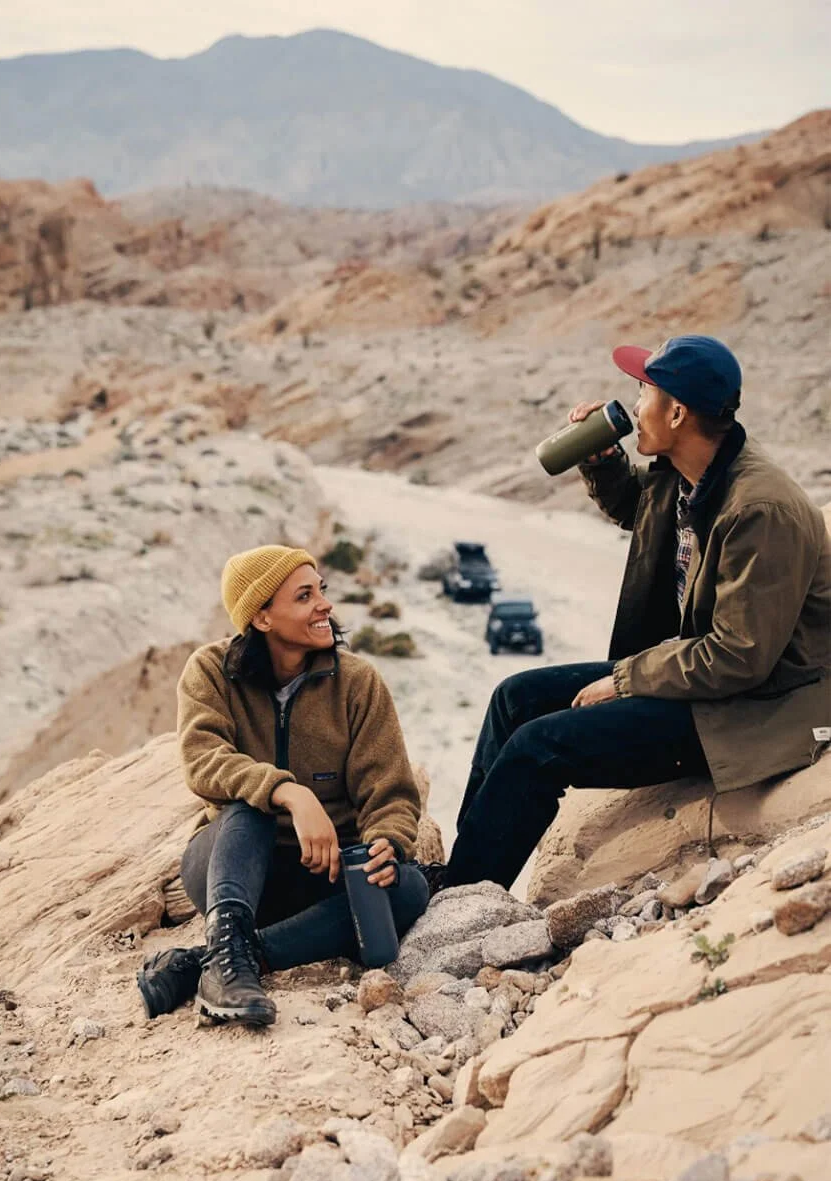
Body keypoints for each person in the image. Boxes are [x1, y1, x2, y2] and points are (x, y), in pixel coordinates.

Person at [444, 334, 831, 890]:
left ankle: (460, 898)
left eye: (643, 390)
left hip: (751, 707)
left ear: (677, 412)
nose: (632, 402)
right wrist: (603, 462)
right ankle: (467, 876)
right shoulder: (687, 472)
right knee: (515, 699)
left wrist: (625, 680)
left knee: (539, 747)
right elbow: (644, 517)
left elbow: (740, 658)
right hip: (697, 677)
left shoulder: (760, 509)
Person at [138, 544, 429, 1025]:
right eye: (304, 596)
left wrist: (386, 843)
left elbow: (390, 791)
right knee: (248, 806)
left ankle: (220, 963)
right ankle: (230, 946)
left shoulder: (357, 683)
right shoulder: (210, 671)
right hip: (230, 867)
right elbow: (203, 761)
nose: (325, 605)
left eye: (322, 591)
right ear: (263, 618)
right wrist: (289, 793)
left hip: (324, 877)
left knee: (409, 888)